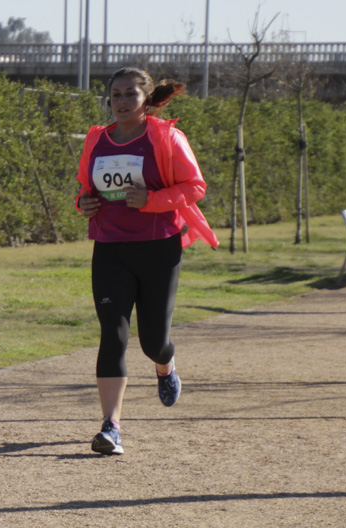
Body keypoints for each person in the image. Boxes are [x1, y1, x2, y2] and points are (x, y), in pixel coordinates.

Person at [74, 67, 218, 455]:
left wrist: (151, 201)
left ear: (145, 99)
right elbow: (86, 190)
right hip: (110, 248)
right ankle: (111, 426)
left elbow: (195, 186)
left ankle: (165, 366)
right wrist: (83, 204)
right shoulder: (96, 140)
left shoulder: (166, 137)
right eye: (115, 95)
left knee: (153, 341)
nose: (121, 101)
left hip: (158, 247)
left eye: (130, 95)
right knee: (113, 335)